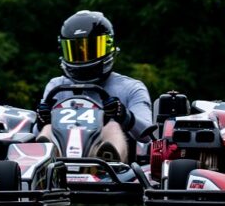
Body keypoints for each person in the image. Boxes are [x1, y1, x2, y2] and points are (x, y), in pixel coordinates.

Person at [37, 10, 154, 162]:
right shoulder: (56, 86)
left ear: (108, 46)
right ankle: (46, 161)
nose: (84, 58)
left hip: (115, 173)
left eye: (90, 49)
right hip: (60, 164)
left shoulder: (130, 88)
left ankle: (107, 161)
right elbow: (35, 132)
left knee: (111, 125)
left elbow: (147, 136)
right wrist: (42, 120)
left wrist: (124, 116)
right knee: (47, 128)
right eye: (77, 51)